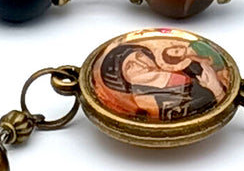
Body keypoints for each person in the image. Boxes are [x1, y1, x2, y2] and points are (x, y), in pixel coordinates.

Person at [96, 35, 230, 122]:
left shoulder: (189, 68)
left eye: (139, 56)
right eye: (130, 66)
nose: (142, 64)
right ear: (124, 81)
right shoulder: (148, 103)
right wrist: (217, 91)